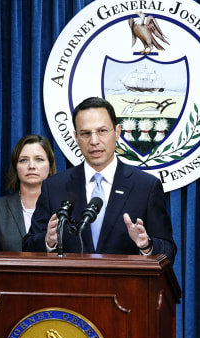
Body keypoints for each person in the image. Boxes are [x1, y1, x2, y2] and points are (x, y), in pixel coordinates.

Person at [22, 96, 176, 263]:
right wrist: (48, 242)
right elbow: (29, 246)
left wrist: (147, 246)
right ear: (76, 137)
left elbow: (168, 251)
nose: (94, 141)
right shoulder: (54, 187)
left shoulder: (146, 187)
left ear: (117, 132)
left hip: (126, 287)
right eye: (85, 133)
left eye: (102, 131)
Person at [0, 134, 57, 251]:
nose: (31, 166)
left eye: (39, 159)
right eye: (23, 160)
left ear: (50, 165)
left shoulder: (62, 207)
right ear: (15, 167)